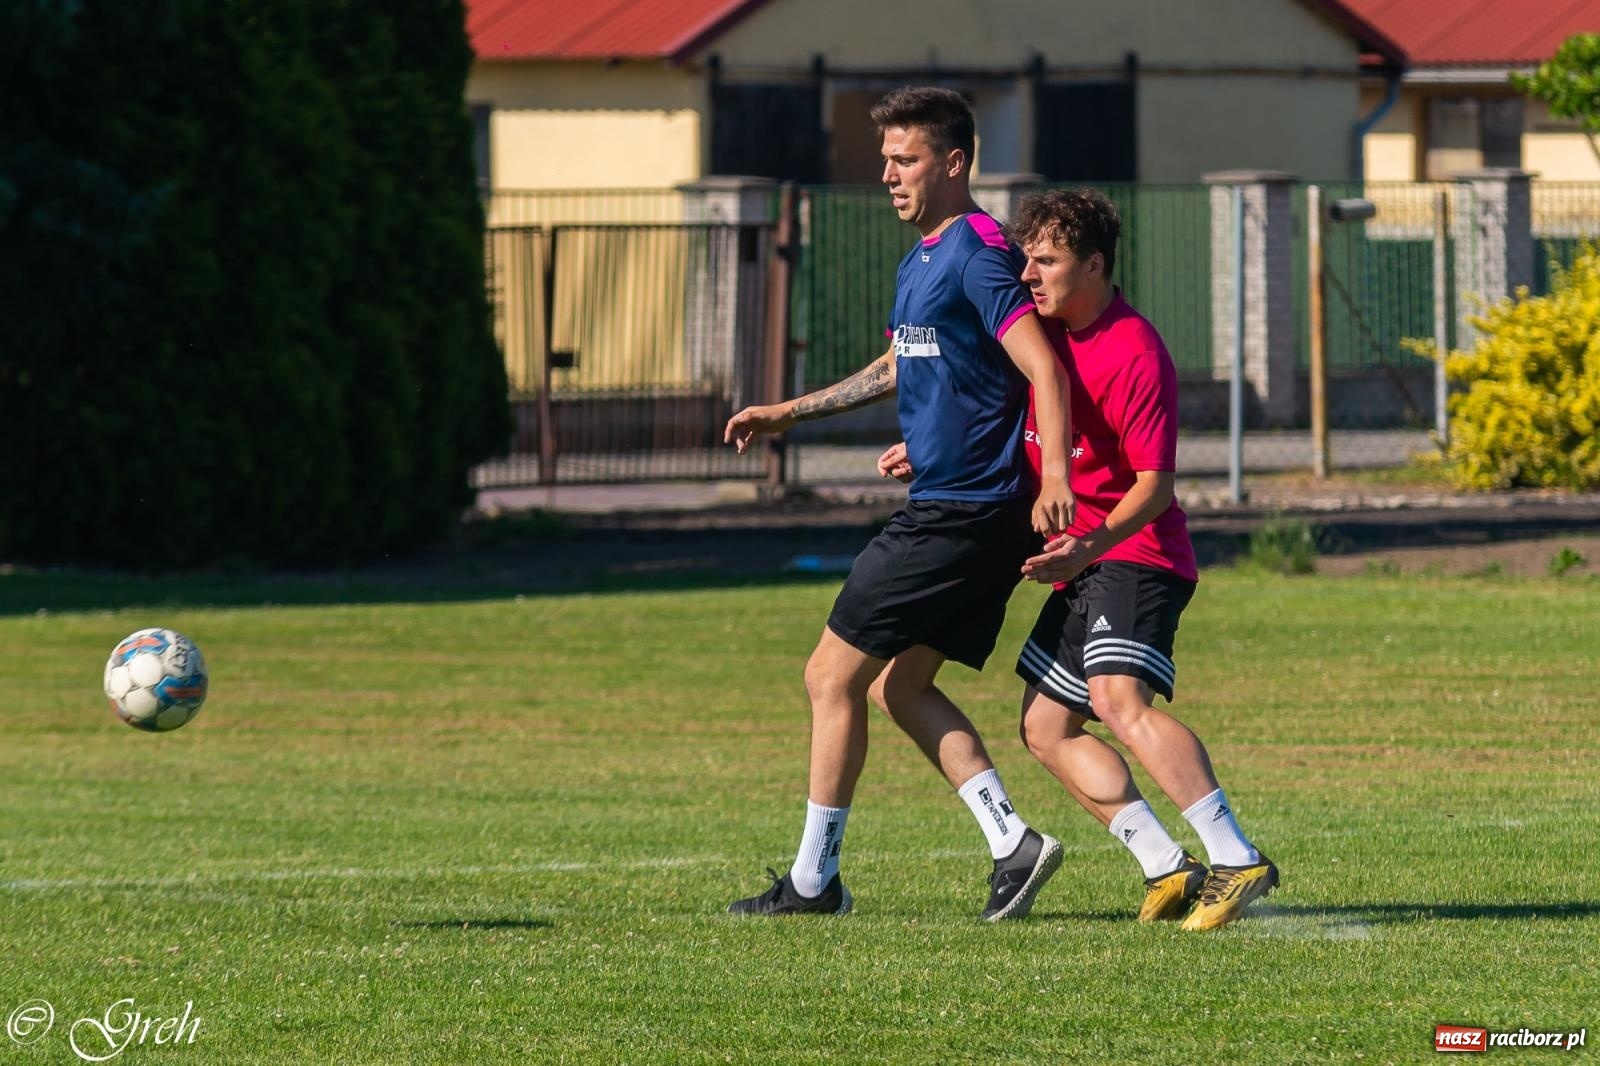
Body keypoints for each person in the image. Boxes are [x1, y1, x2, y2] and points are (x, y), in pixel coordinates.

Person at [878, 188, 1277, 931]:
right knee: (1045, 728)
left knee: (1118, 704)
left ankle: (1236, 855)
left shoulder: (1135, 351)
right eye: (1026, 258)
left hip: (1138, 554)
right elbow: (1002, 416)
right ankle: (1166, 864)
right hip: (1083, 560)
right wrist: (930, 449)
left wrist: (1091, 542)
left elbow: (1156, 488)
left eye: (1049, 261)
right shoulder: (1046, 337)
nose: (1030, 274)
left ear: (1094, 265)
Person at [721, 86, 1076, 920]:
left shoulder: (980, 252)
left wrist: (1054, 474)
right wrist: (788, 412)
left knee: (829, 676)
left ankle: (814, 883)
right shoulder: (922, 259)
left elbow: (1042, 369)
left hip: (961, 512)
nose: (887, 173)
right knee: (899, 687)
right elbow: (903, 366)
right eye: (885, 158)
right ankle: (1011, 843)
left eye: (904, 158)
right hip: (968, 507)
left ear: (953, 163)